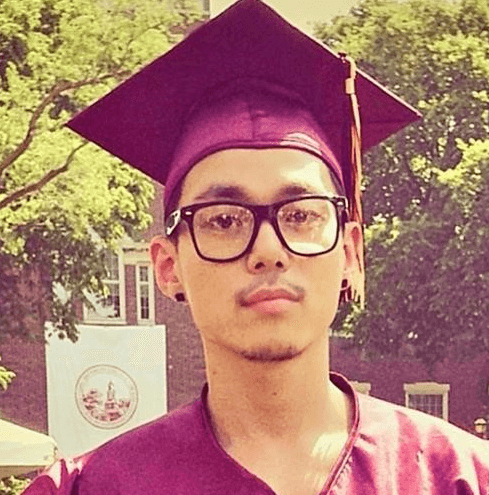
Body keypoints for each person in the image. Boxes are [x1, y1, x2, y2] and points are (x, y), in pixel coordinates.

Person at [22, 0, 489, 494]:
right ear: (167, 266)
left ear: (350, 252)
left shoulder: (462, 478)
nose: (268, 249)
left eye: (302, 214)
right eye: (224, 220)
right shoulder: (93, 488)